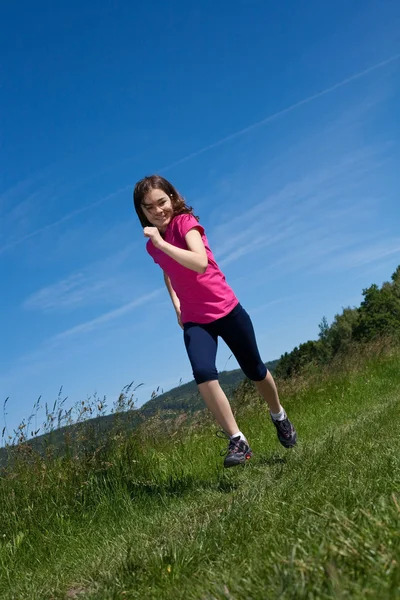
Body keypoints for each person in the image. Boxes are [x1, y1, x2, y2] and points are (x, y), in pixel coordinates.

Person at [133, 175, 297, 468]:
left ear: (172, 198)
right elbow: (168, 270)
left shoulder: (186, 223)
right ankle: (238, 440)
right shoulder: (153, 247)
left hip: (226, 308)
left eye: (162, 202)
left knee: (255, 370)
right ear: (142, 212)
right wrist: (176, 305)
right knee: (203, 373)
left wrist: (161, 242)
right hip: (196, 319)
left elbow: (199, 262)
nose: (158, 211)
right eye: (149, 208)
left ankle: (279, 416)